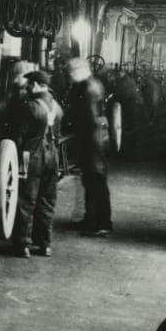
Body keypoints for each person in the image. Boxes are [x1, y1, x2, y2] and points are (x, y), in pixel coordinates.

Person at [10, 71, 63, 258]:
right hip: (52, 157)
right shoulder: (57, 107)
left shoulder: (29, 106)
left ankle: (22, 244)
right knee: (47, 201)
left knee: (25, 199)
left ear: (38, 85)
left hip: (30, 157)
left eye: (31, 84)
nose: (28, 87)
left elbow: (19, 137)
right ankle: (45, 244)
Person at [64, 57, 113, 236]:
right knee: (92, 180)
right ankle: (92, 219)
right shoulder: (92, 84)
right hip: (95, 139)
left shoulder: (86, 88)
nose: (68, 76)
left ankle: (102, 223)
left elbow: (89, 118)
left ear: (77, 71)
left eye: (70, 72)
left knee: (95, 180)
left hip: (92, 141)